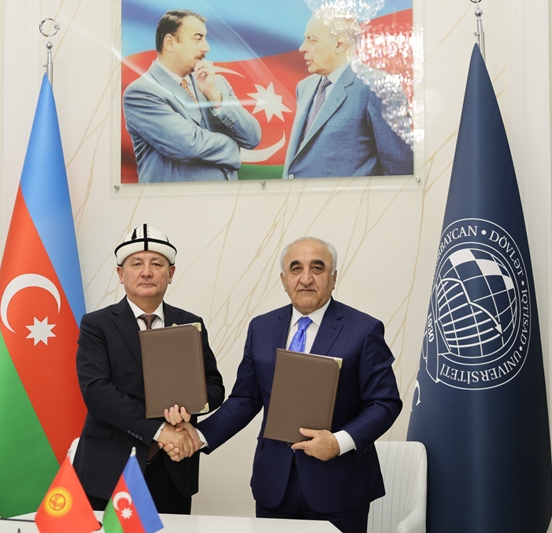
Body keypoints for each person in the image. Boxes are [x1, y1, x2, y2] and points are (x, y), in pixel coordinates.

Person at [171, 236, 402, 533]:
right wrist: (199, 435)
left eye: (317, 268)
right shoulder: (261, 327)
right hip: (274, 486)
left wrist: (339, 442)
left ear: (333, 278)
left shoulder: (364, 329)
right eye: (296, 268)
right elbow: (245, 399)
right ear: (283, 280)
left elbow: (384, 403)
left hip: (339, 487)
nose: (306, 278)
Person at [72, 224, 225, 514]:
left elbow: (214, 386)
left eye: (156, 264)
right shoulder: (97, 324)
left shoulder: (190, 323)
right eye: (136, 264)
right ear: (121, 274)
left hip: (173, 468)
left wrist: (189, 407)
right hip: (109, 469)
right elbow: (97, 392)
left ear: (171, 273)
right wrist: (159, 430)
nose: (146, 272)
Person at [123, 9, 261, 183]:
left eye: (205, 38)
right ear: (170, 43)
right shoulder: (141, 92)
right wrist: (233, 146)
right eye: (197, 38)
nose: (206, 48)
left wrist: (213, 96)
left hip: (227, 198)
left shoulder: (216, 83)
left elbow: (252, 137)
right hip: (179, 200)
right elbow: (189, 145)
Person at [282, 10, 414, 179]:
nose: (302, 48)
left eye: (312, 40)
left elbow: (400, 171)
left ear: (339, 43)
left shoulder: (377, 87)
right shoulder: (304, 87)